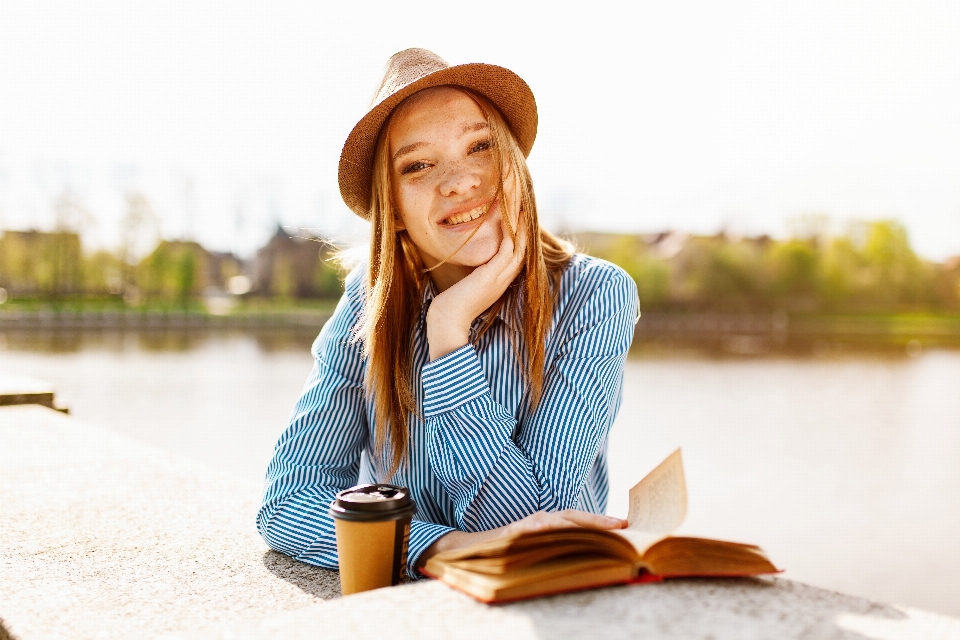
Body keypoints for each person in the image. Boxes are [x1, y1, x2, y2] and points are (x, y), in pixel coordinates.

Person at [257, 48, 639, 579]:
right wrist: (442, 547)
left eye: (480, 147)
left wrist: (448, 335)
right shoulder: (367, 307)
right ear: (392, 208)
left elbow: (531, 527)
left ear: (514, 164)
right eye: (417, 164)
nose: (459, 181)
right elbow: (289, 503)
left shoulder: (594, 295)